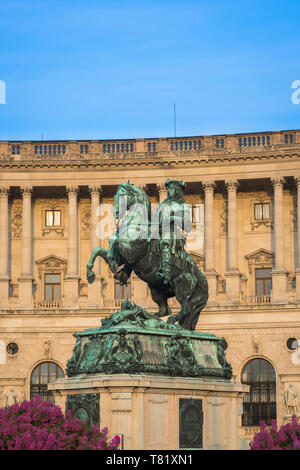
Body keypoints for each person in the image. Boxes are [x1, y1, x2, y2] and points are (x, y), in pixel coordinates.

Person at [153, 179, 192, 285]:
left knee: (165, 242)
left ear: (177, 190)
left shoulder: (182, 206)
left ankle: (166, 273)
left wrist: (173, 218)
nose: (169, 190)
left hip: (172, 234)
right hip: (157, 232)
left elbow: (188, 226)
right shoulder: (162, 205)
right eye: (168, 188)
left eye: (171, 188)